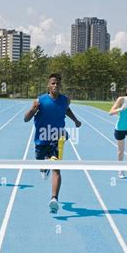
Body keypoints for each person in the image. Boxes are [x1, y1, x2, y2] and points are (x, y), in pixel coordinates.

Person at [24, 73, 81, 213]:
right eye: (53, 83)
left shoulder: (65, 100)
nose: (55, 85)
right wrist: (33, 108)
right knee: (40, 162)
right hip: (41, 138)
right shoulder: (41, 100)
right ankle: (43, 168)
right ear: (48, 85)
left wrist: (75, 120)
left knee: (56, 167)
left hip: (57, 138)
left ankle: (54, 199)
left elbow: (66, 109)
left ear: (60, 85)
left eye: (58, 83)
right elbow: (26, 119)